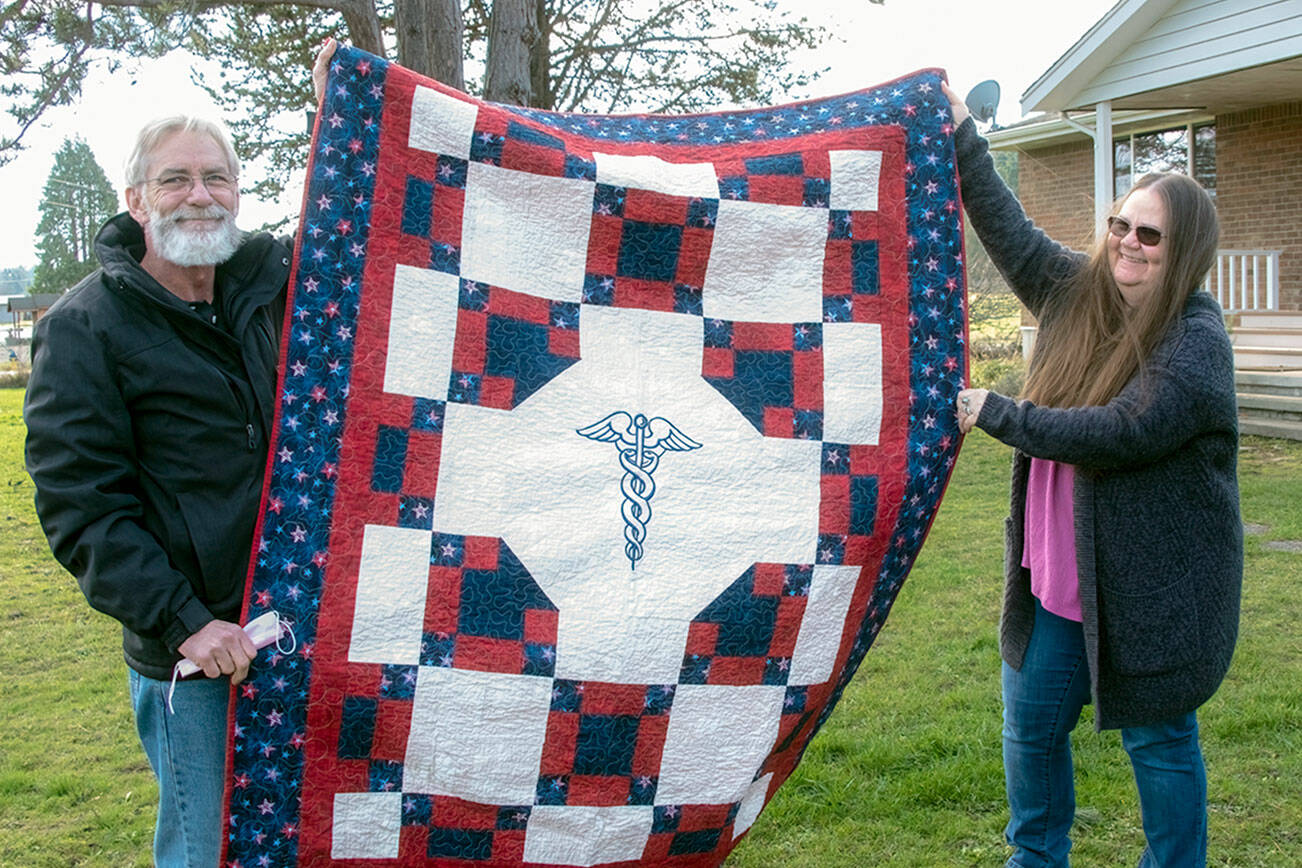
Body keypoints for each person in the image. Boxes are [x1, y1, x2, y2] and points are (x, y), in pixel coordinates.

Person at [945, 82, 1242, 868]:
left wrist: (999, 412)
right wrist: (963, 134)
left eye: (1150, 235)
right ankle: (1035, 860)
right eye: (1121, 225)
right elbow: (1010, 234)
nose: (1129, 243)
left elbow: (1123, 431)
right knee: (1030, 739)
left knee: (1162, 745)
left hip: (1149, 599)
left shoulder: (1197, 344)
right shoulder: (1084, 296)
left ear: (1184, 255)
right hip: (1052, 588)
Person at [24, 115, 291, 867]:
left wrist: (341, 110)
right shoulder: (86, 326)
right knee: (206, 849)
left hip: (300, 630)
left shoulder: (269, 290)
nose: (198, 196)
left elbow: (364, 222)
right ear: (137, 199)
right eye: (175, 179)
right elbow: (83, 508)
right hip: (196, 659)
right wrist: (185, 622)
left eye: (216, 178)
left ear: (238, 192)